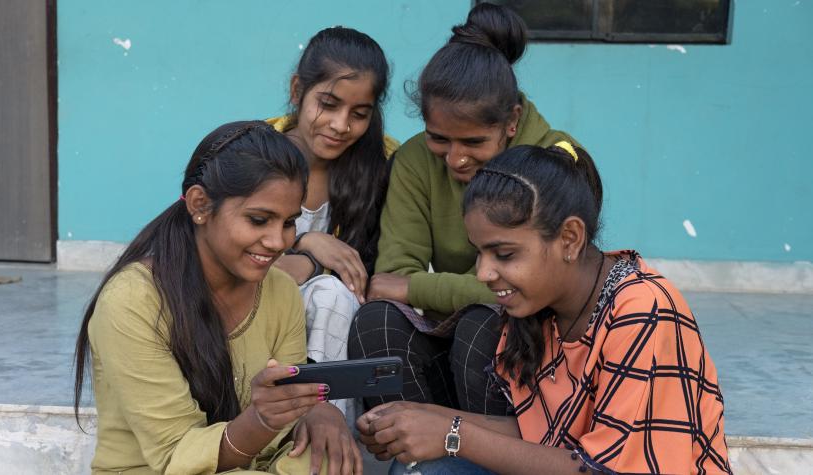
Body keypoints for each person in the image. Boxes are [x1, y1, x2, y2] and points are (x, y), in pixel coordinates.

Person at [356, 144, 732, 474]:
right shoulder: (543, 307)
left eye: (504, 254)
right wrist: (421, 419)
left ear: (569, 239)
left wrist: (452, 436)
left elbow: (605, 469)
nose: (484, 273)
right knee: (421, 467)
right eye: (479, 253)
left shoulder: (644, 309)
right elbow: (540, 434)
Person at [72, 121, 362, 475]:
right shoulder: (132, 301)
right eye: (258, 220)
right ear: (200, 205)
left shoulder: (281, 292)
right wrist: (261, 418)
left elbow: (284, 435)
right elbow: (176, 456)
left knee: (325, 457)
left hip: (254, 465)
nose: (277, 242)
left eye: (289, 223)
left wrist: (317, 411)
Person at [348, 2, 581, 415]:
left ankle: (493, 454)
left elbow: (538, 292)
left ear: (511, 121)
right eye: (439, 138)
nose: (455, 159)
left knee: (485, 322)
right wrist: (429, 289)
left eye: (473, 142)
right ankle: (416, 457)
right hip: (452, 342)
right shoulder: (416, 160)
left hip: (536, 352)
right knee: (377, 323)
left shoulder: (554, 161)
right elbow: (391, 280)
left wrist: (422, 289)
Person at [268, 26, 396, 376]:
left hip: (336, 320)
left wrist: (310, 263)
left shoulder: (381, 166)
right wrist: (305, 241)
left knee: (333, 296)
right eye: (328, 104)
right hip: (254, 304)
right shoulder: (254, 152)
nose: (341, 125)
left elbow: (373, 266)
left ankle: (329, 420)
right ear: (298, 91)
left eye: (359, 114)